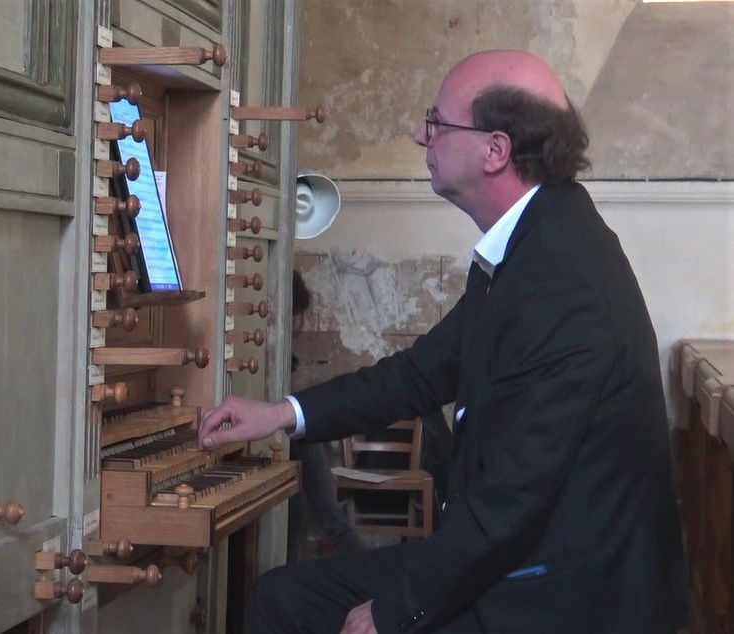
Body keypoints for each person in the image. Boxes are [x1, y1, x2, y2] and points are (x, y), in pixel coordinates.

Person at [198, 50, 689, 633]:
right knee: (286, 598)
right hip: (531, 564)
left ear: (494, 150)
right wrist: (283, 414)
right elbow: (419, 374)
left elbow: (514, 499)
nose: (417, 134)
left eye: (436, 122)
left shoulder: (561, 282)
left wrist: (393, 611)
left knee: (300, 609)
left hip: (566, 600)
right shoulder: (539, 238)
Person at [287, 269, 365, 561]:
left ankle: (371, 581)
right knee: (299, 516)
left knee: (325, 516)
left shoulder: (286, 356)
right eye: (295, 317)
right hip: (292, 430)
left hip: (298, 429)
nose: (297, 326)